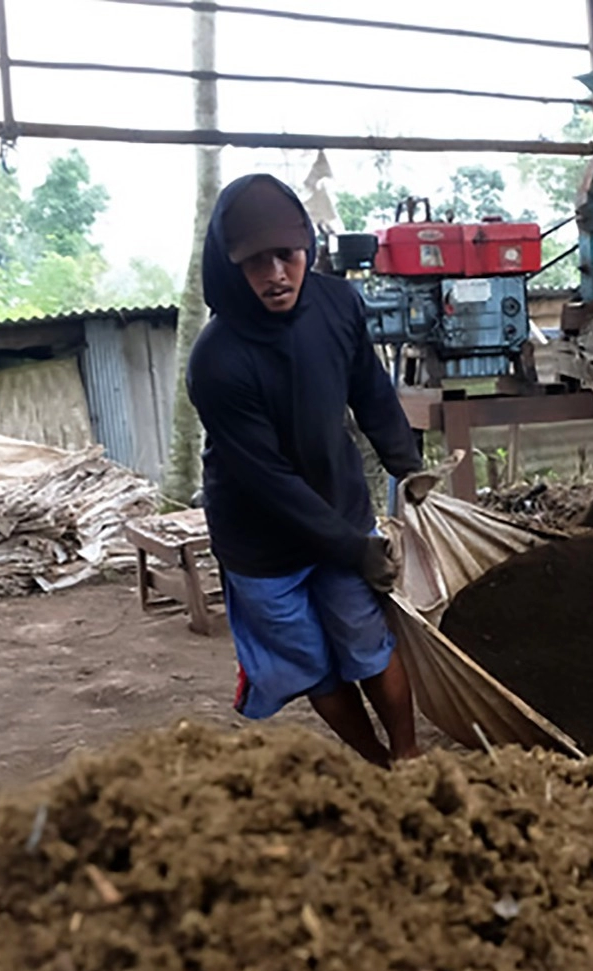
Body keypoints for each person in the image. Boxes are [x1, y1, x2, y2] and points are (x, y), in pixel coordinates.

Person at [185, 173, 424, 765]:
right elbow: (267, 481)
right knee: (313, 667)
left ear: (308, 250)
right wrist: (353, 547)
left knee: (369, 645)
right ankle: (374, 760)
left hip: (338, 505)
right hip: (262, 542)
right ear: (228, 264)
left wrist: (409, 468)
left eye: (287, 256)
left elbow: (370, 391)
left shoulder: (338, 304)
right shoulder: (217, 360)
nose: (275, 275)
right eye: (255, 262)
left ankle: (409, 758)